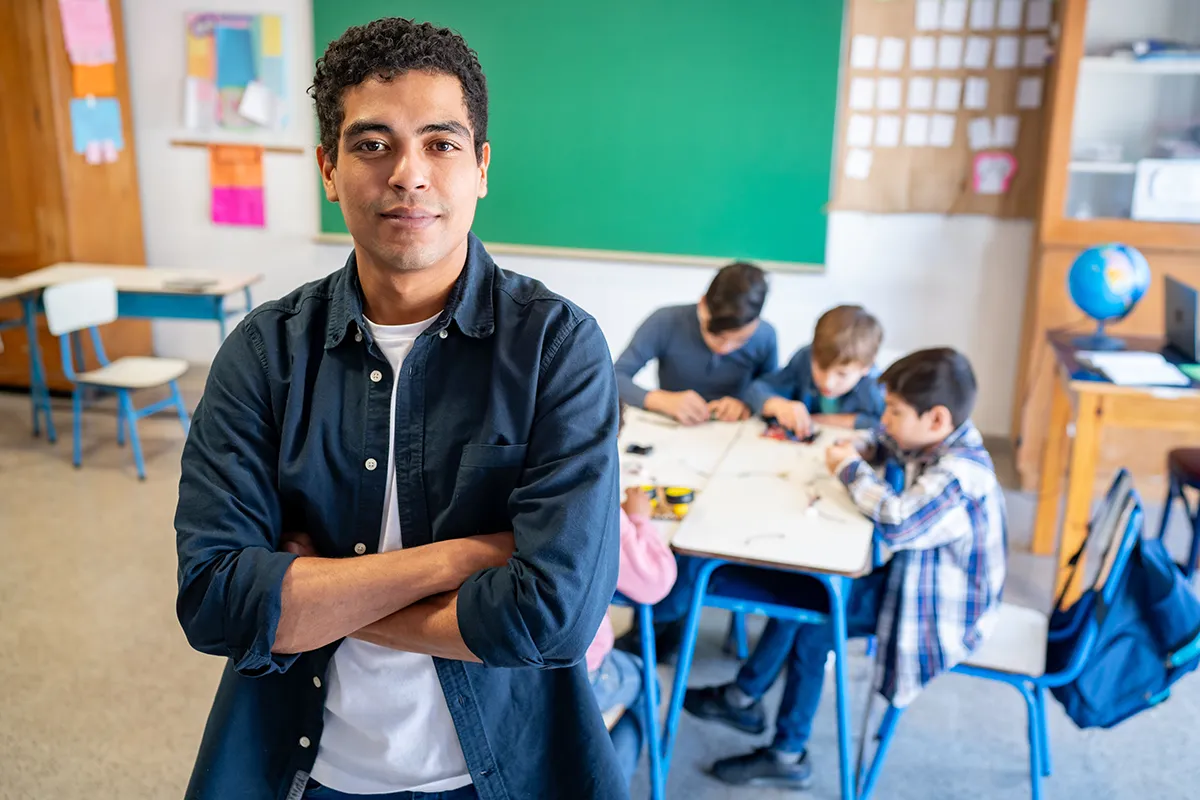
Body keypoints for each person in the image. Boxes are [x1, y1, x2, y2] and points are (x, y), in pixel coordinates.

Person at [174, 18, 625, 800]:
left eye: (442, 143)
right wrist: (459, 559)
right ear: (328, 167)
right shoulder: (264, 352)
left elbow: (552, 618)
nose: (408, 174)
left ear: (481, 167)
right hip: (307, 771)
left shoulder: (556, 347)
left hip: (500, 773)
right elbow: (216, 602)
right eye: (373, 143)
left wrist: (310, 590)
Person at [684, 348, 1007, 789]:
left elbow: (897, 519)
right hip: (907, 578)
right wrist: (859, 444)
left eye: (894, 410)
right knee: (808, 590)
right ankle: (745, 696)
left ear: (935, 419)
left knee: (820, 621)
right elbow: (882, 438)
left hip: (936, 613)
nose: (885, 418)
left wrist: (851, 469)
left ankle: (787, 753)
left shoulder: (961, 475)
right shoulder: (939, 436)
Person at [586, 408, 677, 783]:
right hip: (578, 674)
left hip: (490, 667)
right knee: (646, 681)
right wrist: (639, 519)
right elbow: (655, 582)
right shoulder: (592, 495)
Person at [614, 261, 777, 425]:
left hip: (734, 433)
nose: (725, 348)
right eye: (717, 336)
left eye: (741, 340)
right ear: (703, 304)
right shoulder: (665, 322)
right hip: (674, 429)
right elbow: (614, 378)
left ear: (756, 321)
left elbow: (771, 390)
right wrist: (658, 400)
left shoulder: (765, 336)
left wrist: (747, 404)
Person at [745, 304, 886, 436]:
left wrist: (816, 419)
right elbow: (757, 389)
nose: (827, 383)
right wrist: (777, 405)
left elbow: (883, 424)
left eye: (842, 374)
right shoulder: (804, 359)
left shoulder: (874, 387)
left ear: (866, 367)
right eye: (821, 368)